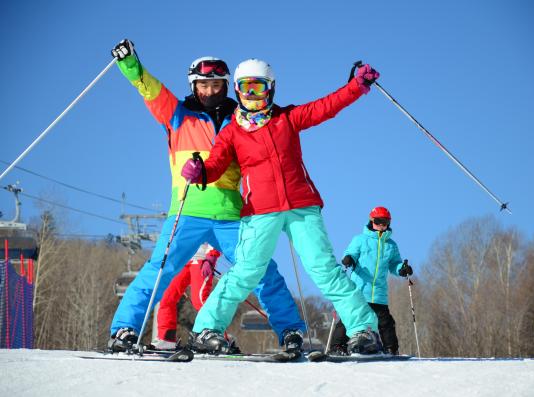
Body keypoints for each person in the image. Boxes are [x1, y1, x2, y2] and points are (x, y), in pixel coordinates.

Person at [107, 40, 305, 353]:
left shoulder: (244, 120)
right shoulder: (177, 115)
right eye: (203, 85)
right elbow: (148, 88)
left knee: (262, 269)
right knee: (160, 269)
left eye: (215, 84)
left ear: (227, 86)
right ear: (193, 86)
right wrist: (129, 62)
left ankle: (291, 332)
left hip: (230, 213)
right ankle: (125, 330)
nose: (210, 91)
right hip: (188, 211)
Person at [181, 58, 384, 355]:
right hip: (260, 210)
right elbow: (215, 165)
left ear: (271, 89)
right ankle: (207, 329)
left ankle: (363, 330)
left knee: (324, 269)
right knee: (247, 271)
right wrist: (200, 171)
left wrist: (356, 87)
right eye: (246, 88)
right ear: (237, 91)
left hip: (301, 205)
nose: (252, 94)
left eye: (258, 87)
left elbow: (325, 107)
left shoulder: (287, 118)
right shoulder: (232, 132)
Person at [329, 206, 413, 355]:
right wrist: (349, 259)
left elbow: (394, 264)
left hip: (379, 293)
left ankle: (391, 349)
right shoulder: (360, 239)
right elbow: (351, 253)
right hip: (359, 290)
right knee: (349, 318)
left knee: (386, 322)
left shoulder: (391, 245)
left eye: (385, 222)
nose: (381, 225)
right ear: (371, 221)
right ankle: (337, 347)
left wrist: (402, 268)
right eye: (378, 221)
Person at [151, 244, 219, 350]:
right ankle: (166, 338)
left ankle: (215, 337)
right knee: (167, 298)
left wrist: (211, 257)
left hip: (201, 259)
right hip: (182, 260)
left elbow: (215, 233)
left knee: (200, 300)